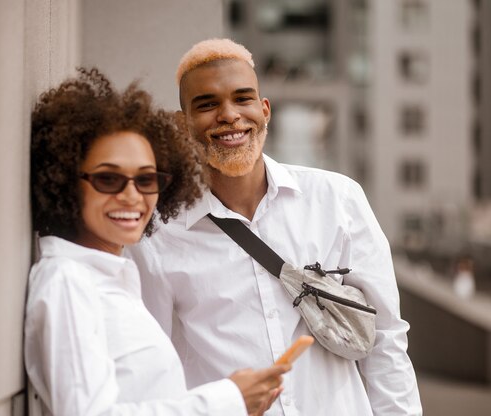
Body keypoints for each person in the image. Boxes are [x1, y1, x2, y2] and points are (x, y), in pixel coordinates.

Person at [124, 39, 423, 415]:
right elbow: (155, 362)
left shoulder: (337, 200)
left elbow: (386, 340)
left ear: (264, 109)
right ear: (183, 124)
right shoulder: (158, 234)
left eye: (242, 98)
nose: (229, 115)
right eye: (207, 104)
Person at [25, 68, 290, 416]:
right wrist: (227, 401)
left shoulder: (109, 279)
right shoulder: (68, 282)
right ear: (64, 181)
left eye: (146, 179)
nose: (132, 196)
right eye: (108, 179)